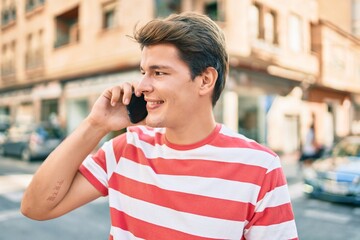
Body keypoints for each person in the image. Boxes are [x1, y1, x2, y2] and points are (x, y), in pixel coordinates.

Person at [21, 12, 298, 239]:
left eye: (159, 72)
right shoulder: (124, 149)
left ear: (205, 80)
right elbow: (35, 208)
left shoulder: (260, 168)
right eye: (143, 72)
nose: (142, 86)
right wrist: (96, 124)